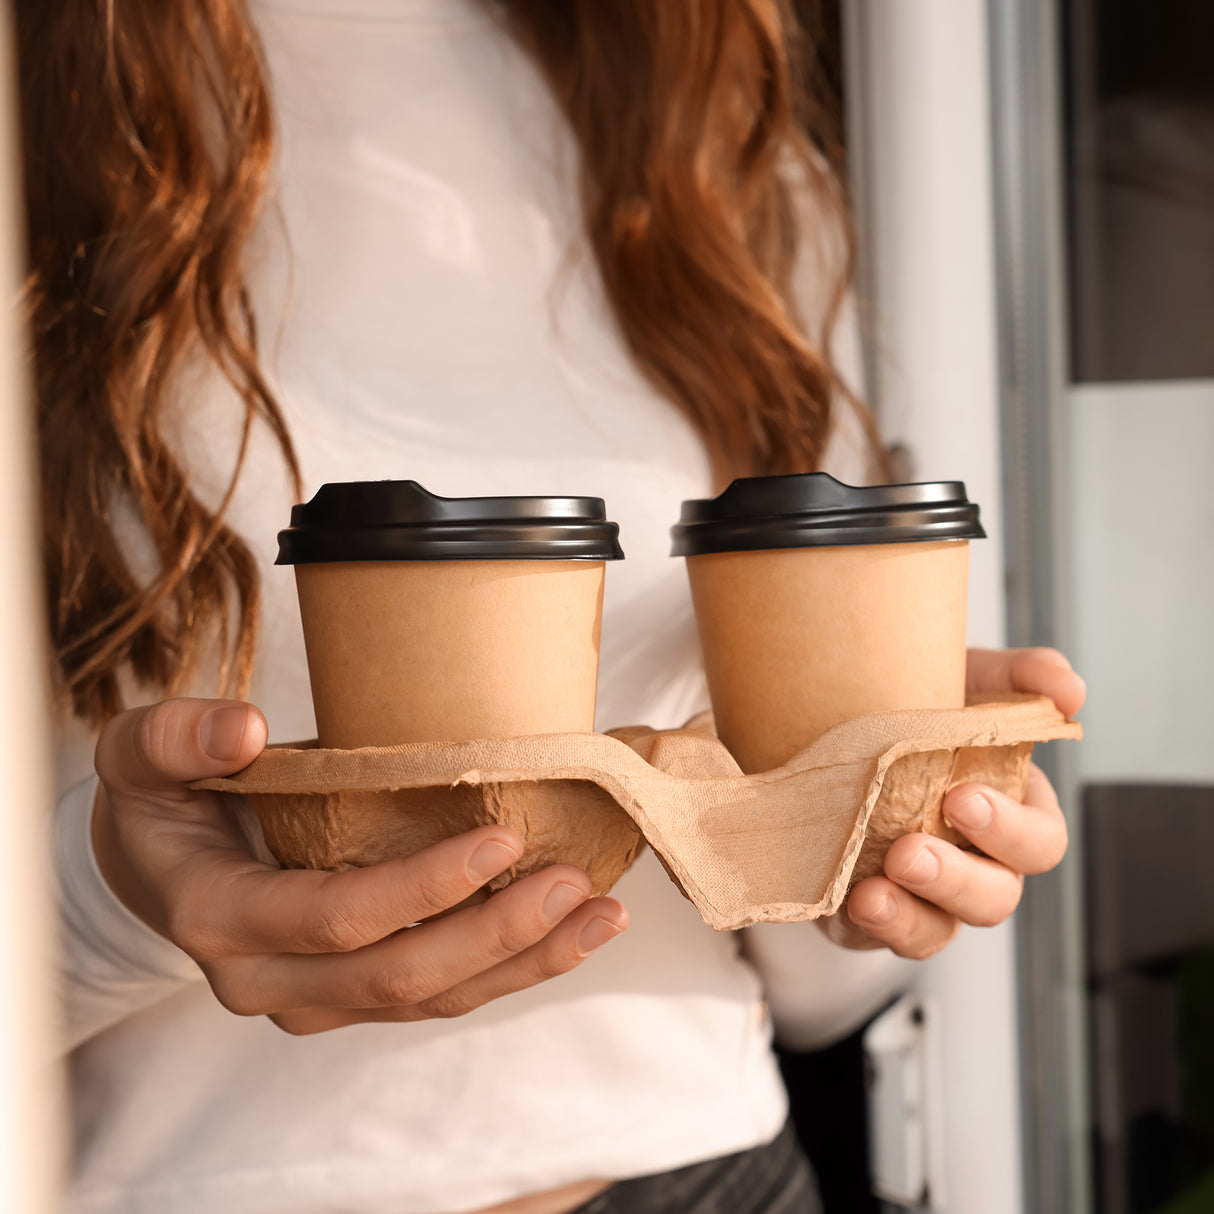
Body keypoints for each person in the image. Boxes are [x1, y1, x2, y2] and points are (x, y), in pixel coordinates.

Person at [22, 1, 1086, 1211]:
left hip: (708, 1167)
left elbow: (808, 972)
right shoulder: (48, 98)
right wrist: (111, 894)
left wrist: (889, 828)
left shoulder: (700, 102)